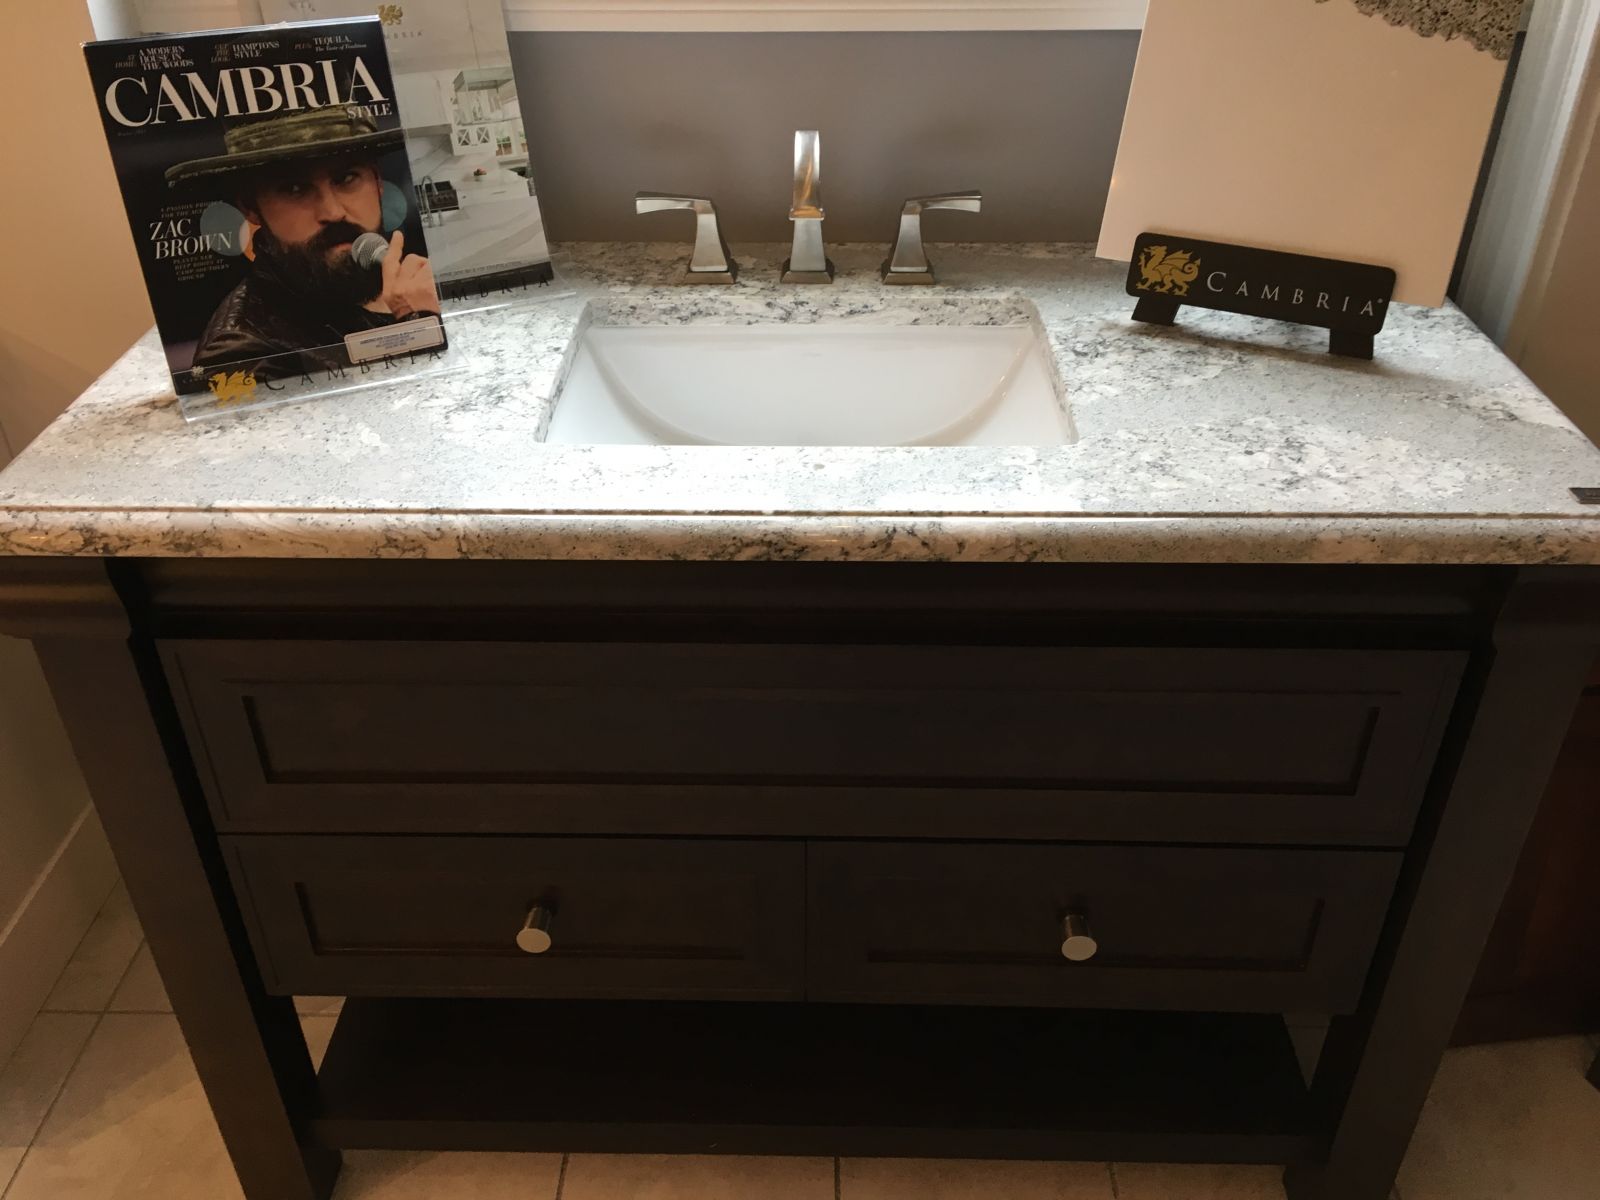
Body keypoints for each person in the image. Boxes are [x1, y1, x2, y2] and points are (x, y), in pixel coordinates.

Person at [166, 107, 439, 383]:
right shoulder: (240, 352)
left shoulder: (413, 274)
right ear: (250, 207)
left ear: (378, 182)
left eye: (346, 178)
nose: (333, 212)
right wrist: (417, 324)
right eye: (295, 189)